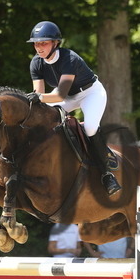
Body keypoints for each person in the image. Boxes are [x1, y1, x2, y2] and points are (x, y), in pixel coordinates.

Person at [26, 20, 121, 196]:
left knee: (91, 127)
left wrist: (38, 97)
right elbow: (39, 94)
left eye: (44, 43)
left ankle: (106, 173)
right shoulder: (36, 63)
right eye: (36, 44)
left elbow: (59, 95)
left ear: (55, 43)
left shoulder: (69, 58)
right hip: (68, 96)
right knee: (40, 118)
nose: (39, 48)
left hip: (89, 94)